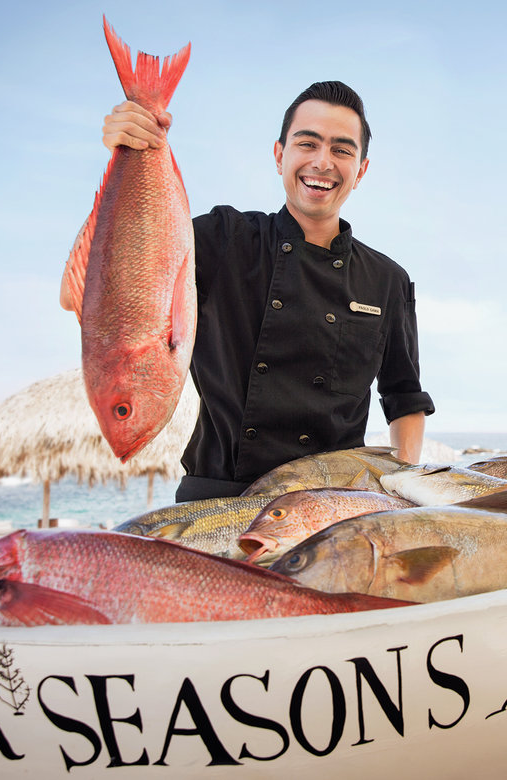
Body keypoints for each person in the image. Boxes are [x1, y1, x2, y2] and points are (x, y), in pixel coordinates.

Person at [102, 80, 434, 501]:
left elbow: (404, 397)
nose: (323, 162)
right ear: (280, 156)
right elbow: (109, 284)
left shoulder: (388, 279)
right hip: (216, 500)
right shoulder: (222, 239)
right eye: (307, 143)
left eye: (342, 150)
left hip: (329, 510)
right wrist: (125, 152)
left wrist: (399, 488)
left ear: (361, 170)